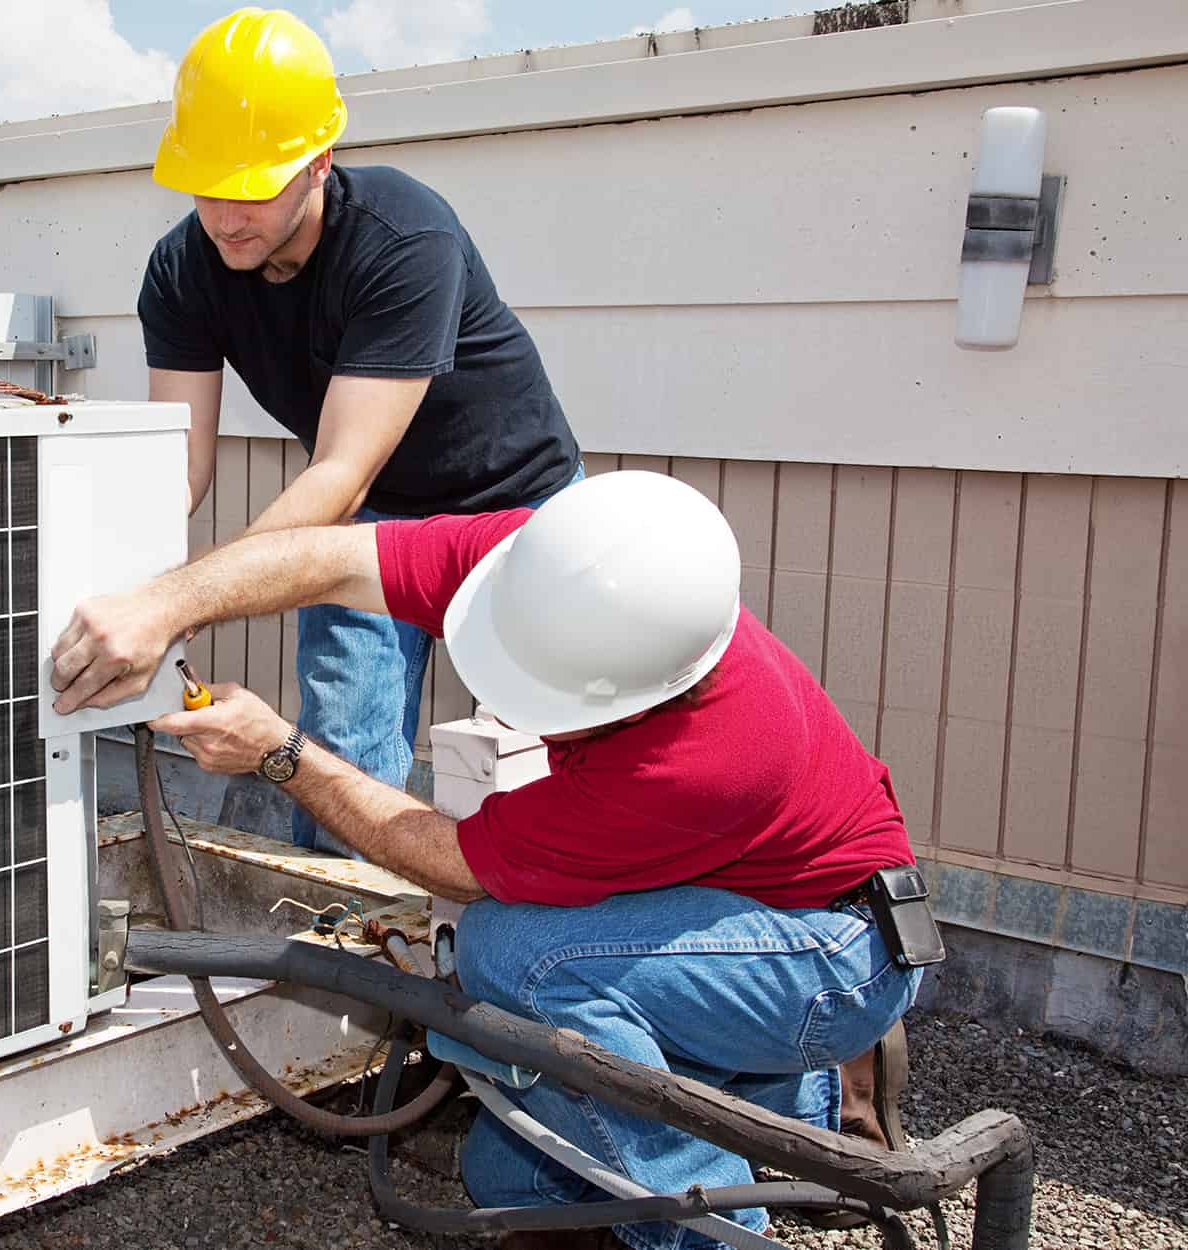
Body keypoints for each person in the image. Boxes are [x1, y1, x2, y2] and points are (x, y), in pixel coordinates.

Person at [49, 471, 923, 1250]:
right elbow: (324, 557)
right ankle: (801, 1115)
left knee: (516, 956)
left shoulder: (696, 762)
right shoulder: (552, 569)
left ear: (634, 700)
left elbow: (452, 862)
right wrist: (167, 603)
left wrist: (281, 751)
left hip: (832, 955)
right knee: (508, 1183)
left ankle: (709, 1227)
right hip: (747, 900)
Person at [138, 7, 583, 853]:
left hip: (518, 511)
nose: (228, 216)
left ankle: (536, 947)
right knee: (340, 751)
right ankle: (354, 958)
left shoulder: (403, 237)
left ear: (318, 163)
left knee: (556, 746)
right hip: (372, 519)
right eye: (208, 186)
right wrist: (128, 583)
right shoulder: (181, 270)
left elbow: (341, 467)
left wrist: (180, 602)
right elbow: (180, 467)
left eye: (256, 186)